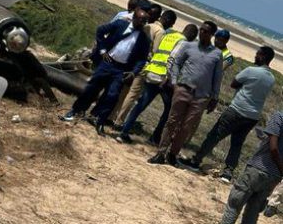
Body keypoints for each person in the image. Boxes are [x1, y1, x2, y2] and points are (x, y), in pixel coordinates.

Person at [180, 46, 276, 183]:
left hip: (237, 109)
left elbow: (233, 83)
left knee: (214, 135)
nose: (255, 56)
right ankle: (228, 173)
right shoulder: (271, 78)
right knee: (237, 143)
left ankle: (195, 161)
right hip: (253, 116)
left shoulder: (250, 70)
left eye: (257, 54)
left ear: (262, 56)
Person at [61, 9, 151, 136]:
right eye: (141, 20)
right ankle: (76, 111)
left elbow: (142, 59)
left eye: (145, 22)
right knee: (91, 89)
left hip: (121, 70)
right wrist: (102, 50)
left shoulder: (144, 39)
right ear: (134, 18)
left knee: (112, 96)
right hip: (107, 64)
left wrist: (133, 72)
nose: (142, 23)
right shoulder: (120, 24)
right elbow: (100, 31)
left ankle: (99, 121)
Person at [148, 21, 223, 166]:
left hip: (201, 97)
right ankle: (160, 153)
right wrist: (175, 82)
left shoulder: (217, 54)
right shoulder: (188, 46)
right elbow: (176, 63)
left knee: (186, 128)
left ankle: (172, 154)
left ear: (212, 35)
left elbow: (217, 77)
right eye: (201, 30)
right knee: (171, 122)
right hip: (183, 89)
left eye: (206, 31)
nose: (202, 33)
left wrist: (214, 97)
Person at [115, 22, 198, 144]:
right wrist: (168, 77)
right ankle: (155, 137)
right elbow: (173, 59)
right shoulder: (184, 43)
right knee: (169, 109)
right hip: (163, 78)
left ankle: (124, 132)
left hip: (152, 71)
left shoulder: (169, 35)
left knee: (141, 105)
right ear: (191, 34)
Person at [220, 111, 283, 224]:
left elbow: (273, 148)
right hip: (274, 176)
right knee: (253, 211)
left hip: (258, 167)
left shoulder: (279, 116)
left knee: (234, 205)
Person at [109, 5, 168, 126]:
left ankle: (111, 115)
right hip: (143, 63)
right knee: (133, 94)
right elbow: (155, 50)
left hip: (133, 61)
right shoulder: (160, 31)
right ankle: (119, 120)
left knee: (123, 90)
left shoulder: (147, 25)